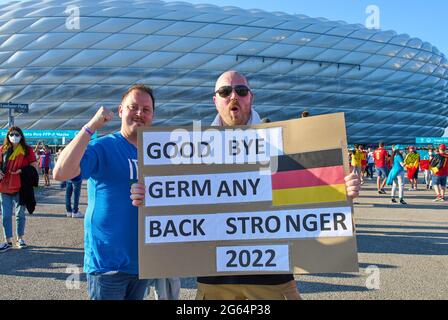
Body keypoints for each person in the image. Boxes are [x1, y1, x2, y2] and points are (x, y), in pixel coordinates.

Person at [130, 70, 361, 300]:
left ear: (251, 97)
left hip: (274, 280)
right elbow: (175, 201)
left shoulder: (283, 142)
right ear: (215, 100)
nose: (233, 96)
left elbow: (313, 196)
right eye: (225, 91)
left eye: (241, 91)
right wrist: (149, 196)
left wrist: (342, 188)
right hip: (214, 282)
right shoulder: (193, 150)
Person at [53, 84, 155, 300]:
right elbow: (61, 172)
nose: (139, 114)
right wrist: (90, 126)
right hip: (108, 264)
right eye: (133, 107)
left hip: (144, 263)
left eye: (146, 109)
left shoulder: (157, 153)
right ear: (120, 111)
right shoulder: (104, 146)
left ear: (153, 115)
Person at [0, 126, 37, 252]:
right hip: (4, 187)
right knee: (5, 216)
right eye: (12, 134)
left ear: (21, 136)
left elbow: (33, 167)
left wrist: (21, 170)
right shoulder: (3, 149)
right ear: (8, 136)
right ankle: (8, 241)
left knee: (20, 214)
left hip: (21, 187)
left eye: (17, 134)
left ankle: (20, 238)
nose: (14, 136)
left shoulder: (27, 150)